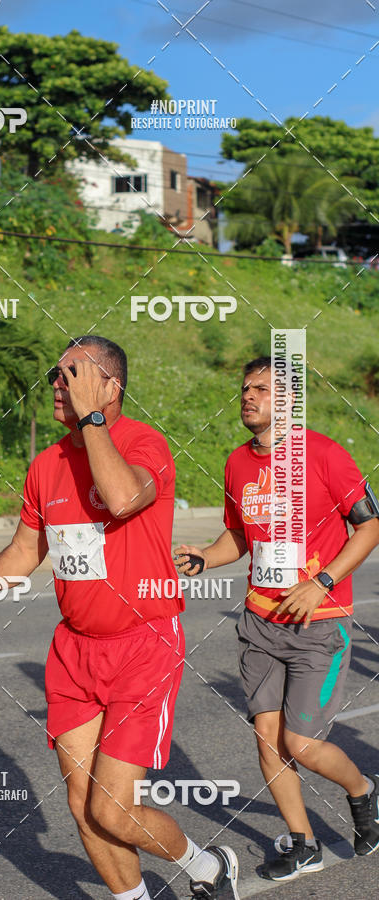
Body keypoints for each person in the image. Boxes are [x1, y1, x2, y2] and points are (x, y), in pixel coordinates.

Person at [0, 335, 240, 900]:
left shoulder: (144, 444)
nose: (59, 385)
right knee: (83, 806)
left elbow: (124, 497)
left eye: (73, 375)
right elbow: (25, 550)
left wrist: (93, 420)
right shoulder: (46, 465)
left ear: (111, 386)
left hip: (143, 645)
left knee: (111, 807)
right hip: (75, 651)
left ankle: (206, 864)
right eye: (55, 376)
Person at [175, 355, 379, 883]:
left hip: (320, 625)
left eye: (263, 389)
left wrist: (322, 581)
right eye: (246, 387)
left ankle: (363, 790)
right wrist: (205, 557)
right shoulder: (237, 463)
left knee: (301, 744)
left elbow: (370, 527)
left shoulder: (325, 455)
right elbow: (238, 535)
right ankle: (303, 842)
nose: (248, 395)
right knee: (268, 739)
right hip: (260, 625)